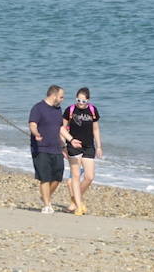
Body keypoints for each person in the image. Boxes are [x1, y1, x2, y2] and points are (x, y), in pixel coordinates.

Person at [29, 84, 80, 213]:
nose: (63, 99)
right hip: (41, 148)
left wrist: (70, 141)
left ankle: (45, 196)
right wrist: (36, 134)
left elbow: (60, 128)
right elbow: (32, 124)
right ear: (54, 96)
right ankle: (47, 205)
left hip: (56, 148)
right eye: (61, 97)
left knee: (57, 178)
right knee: (45, 177)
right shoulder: (38, 108)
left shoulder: (57, 110)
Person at [64, 87, 103, 214]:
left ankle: (75, 200)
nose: (80, 103)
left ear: (88, 100)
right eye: (78, 100)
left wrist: (98, 146)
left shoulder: (92, 110)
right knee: (75, 176)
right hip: (73, 146)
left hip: (88, 146)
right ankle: (79, 206)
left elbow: (96, 129)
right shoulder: (70, 110)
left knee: (89, 177)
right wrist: (63, 146)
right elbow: (62, 129)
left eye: (83, 101)